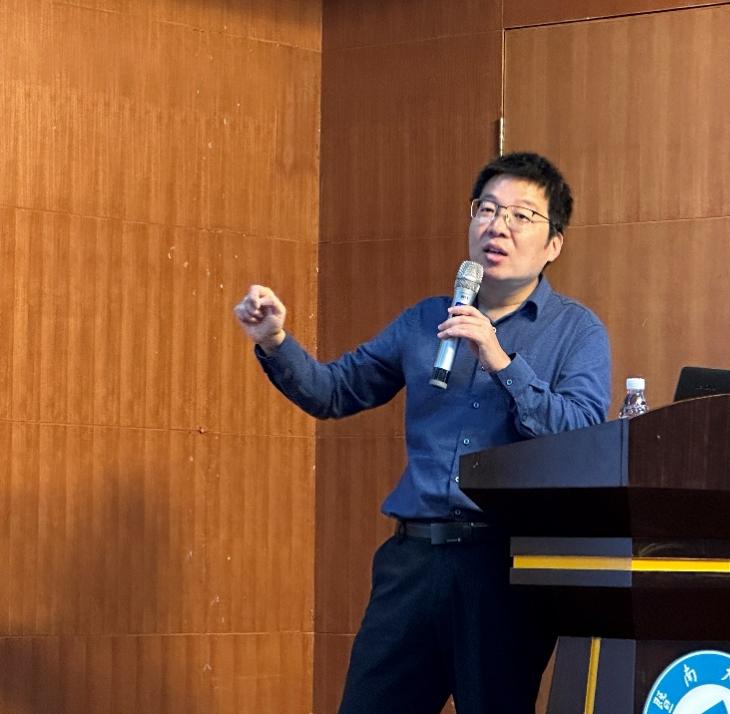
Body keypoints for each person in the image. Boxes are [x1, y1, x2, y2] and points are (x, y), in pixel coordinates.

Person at [234, 152, 611, 713]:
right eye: (487, 209)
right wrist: (274, 341)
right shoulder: (424, 320)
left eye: (521, 215)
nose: (497, 226)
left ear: (554, 243)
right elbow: (335, 391)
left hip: (505, 569)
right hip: (412, 563)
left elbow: (582, 432)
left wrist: (500, 360)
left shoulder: (576, 331)